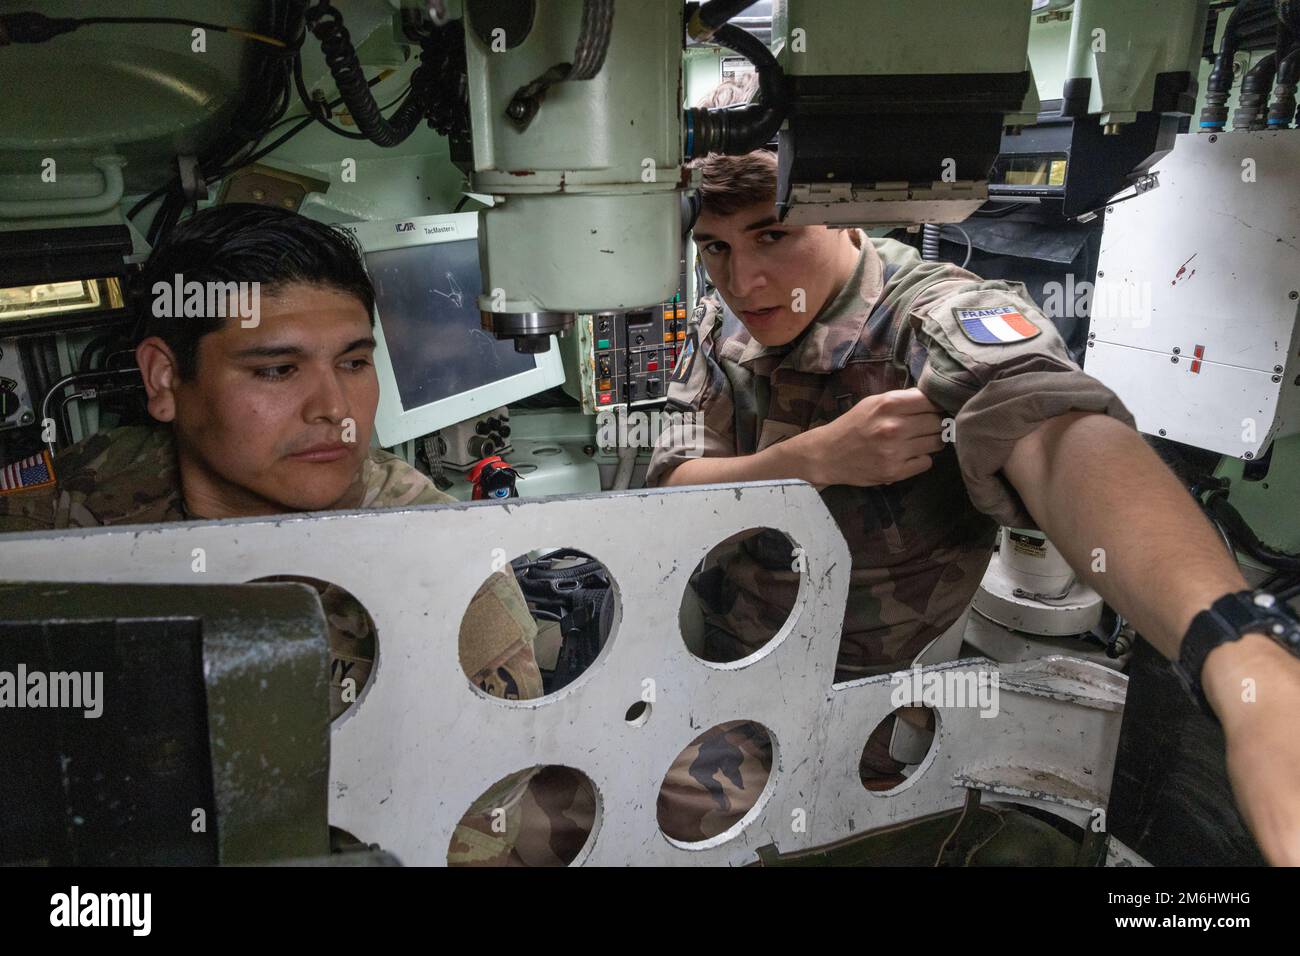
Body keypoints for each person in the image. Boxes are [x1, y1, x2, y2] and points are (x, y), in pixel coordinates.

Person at [647, 148, 1300, 866]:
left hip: (851, 715)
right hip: (718, 662)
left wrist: (1235, 644)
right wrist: (811, 461)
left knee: (613, 825)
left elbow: (1053, 428)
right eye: (715, 247)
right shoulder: (721, 324)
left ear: (844, 218)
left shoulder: (936, 317)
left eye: (772, 235)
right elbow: (672, 488)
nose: (743, 280)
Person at [0, 204, 551, 864]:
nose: (334, 410)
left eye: (353, 363)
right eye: (277, 370)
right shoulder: (75, 501)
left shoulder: (441, 562)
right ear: (164, 379)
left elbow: (471, 837)